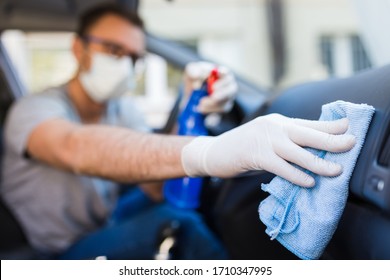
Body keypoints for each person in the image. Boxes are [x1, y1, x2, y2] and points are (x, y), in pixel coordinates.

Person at [0, 4, 356, 260]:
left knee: (176, 204)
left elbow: (155, 186)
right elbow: (75, 148)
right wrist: (206, 152)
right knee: (177, 221)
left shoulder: (120, 109)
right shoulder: (34, 109)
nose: (124, 64)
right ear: (78, 49)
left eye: (134, 57)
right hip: (55, 251)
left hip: (105, 220)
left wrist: (190, 105)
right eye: (113, 50)